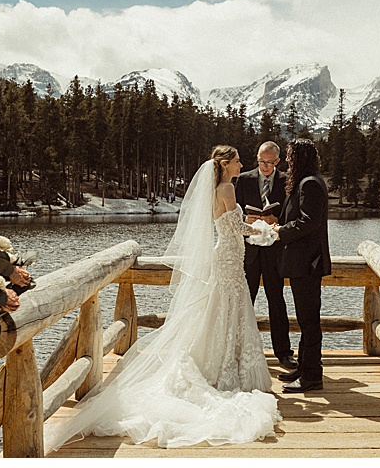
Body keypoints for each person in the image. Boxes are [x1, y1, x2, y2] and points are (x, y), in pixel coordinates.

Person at [46, 146, 280, 450]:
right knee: (229, 307)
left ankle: (221, 360)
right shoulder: (226, 188)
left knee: (224, 308)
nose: (241, 164)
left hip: (228, 256)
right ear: (224, 164)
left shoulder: (218, 187)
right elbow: (236, 229)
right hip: (230, 257)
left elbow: (230, 227)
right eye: (237, 161)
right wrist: (264, 229)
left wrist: (256, 229)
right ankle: (226, 364)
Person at [273, 139, 331, 393]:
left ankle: (312, 377)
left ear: (300, 158)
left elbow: (309, 222)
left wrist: (280, 233)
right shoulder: (307, 182)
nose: (287, 160)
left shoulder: (310, 184)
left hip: (308, 264)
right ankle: (306, 366)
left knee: (309, 320)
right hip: (303, 263)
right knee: (306, 318)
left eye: (290, 155)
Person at [235, 141, 296, 369]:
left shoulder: (286, 180)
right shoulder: (244, 179)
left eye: (269, 163)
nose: (265, 166)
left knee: (276, 301)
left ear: (277, 161)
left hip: (274, 250)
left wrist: (277, 220)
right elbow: (234, 212)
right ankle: (239, 350)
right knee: (245, 301)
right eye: (261, 162)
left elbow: (291, 213)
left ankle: (284, 353)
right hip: (248, 251)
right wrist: (245, 220)